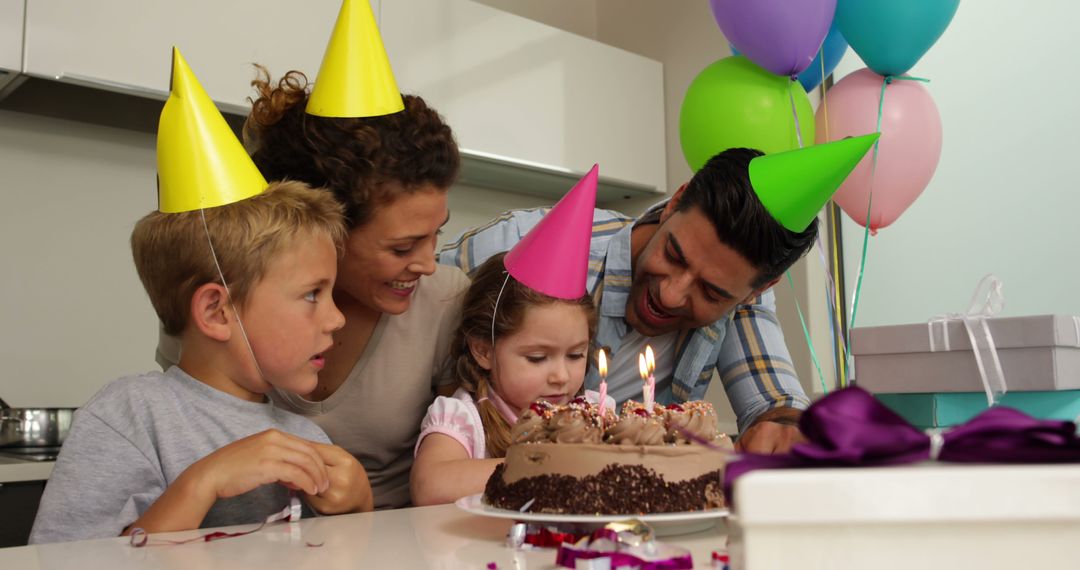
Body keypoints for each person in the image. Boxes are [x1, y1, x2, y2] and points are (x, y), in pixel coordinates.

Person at [31, 51, 371, 544]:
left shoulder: (308, 438)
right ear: (216, 311)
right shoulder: (131, 415)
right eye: (313, 295)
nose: (338, 319)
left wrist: (359, 506)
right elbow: (58, 561)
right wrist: (203, 482)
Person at [156, 0, 467, 508]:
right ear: (323, 228)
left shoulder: (446, 302)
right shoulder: (226, 304)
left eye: (437, 235)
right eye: (403, 246)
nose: (430, 263)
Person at [439, 137, 879, 453]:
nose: (671, 294)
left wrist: (785, 430)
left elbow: (774, 404)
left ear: (757, 290)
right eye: (674, 253)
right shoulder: (519, 245)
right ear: (675, 202)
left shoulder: (742, 299)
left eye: (710, 291)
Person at [411, 168, 614, 505]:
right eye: (537, 357)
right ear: (483, 350)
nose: (562, 376)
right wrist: (556, 465)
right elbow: (429, 486)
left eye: (576, 355)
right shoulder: (466, 418)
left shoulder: (594, 412)